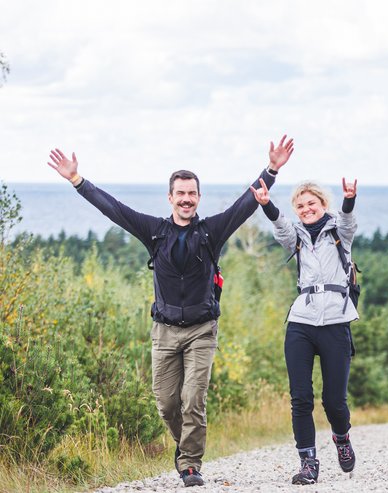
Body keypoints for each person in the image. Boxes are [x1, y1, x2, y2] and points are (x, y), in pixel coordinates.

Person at [46, 136, 294, 487]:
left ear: (198, 197)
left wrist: (270, 170)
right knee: (166, 403)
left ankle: (191, 464)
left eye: (192, 193)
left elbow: (244, 204)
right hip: (164, 331)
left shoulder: (211, 232)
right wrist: (77, 180)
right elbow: (113, 209)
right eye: (181, 193)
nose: (187, 199)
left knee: (193, 398)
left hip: (201, 329)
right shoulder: (155, 232)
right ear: (170, 197)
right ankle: (186, 445)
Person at [250, 177, 359, 486]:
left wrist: (349, 199)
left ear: (323, 205)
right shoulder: (295, 236)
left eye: (311, 203)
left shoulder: (339, 232)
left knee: (334, 401)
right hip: (301, 320)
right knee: (300, 397)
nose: (306, 209)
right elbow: (281, 226)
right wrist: (266, 204)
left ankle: (341, 436)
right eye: (300, 206)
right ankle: (308, 462)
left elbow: (349, 219)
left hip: (336, 321)